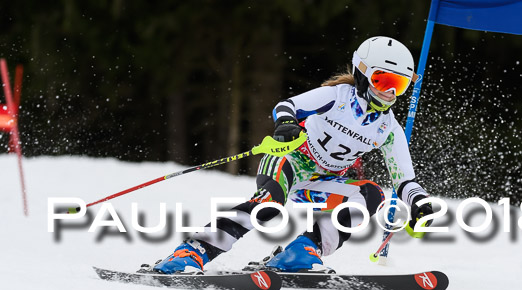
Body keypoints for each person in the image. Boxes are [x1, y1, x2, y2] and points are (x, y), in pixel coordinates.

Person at [152, 36, 434, 274]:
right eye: (382, 80)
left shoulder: (389, 128)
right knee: (269, 206)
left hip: (319, 183)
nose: (389, 92)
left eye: (399, 84)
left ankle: (301, 253)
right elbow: (287, 106)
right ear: (362, 74)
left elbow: (404, 180)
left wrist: (419, 202)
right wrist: (286, 124)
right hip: (288, 163)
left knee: (371, 195)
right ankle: (191, 253)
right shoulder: (338, 97)